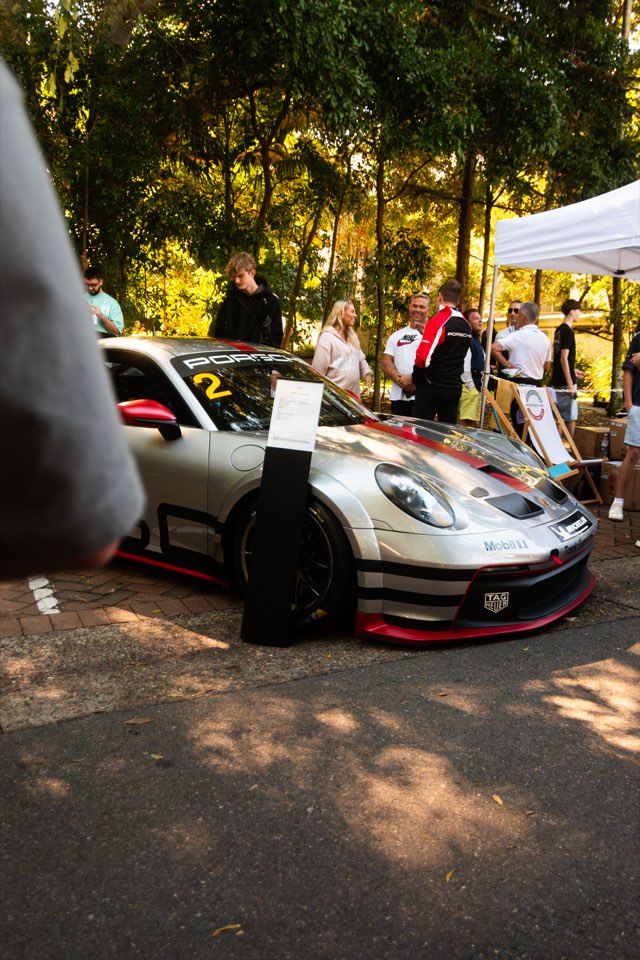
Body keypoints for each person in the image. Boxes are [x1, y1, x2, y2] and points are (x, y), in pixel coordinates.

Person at [0, 59, 144, 578]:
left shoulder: (109, 305)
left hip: (104, 361)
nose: (92, 286)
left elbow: (120, 334)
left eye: (96, 283)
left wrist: (96, 318)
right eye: (88, 281)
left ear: (103, 284)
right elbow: (85, 529)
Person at [412, 278, 471, 424]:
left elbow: (422, 358)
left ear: (439, 297)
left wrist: (416, 378)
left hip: (432, 387)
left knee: (420, 431)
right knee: (447, 433)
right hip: (454, 388)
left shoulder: (438, 321)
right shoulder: (466, 324)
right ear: (457, 300)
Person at [491, 300, 551, 436]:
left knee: (518, 425)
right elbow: (547, 366)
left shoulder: (517, 336)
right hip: (537, 387)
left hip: (518, 386)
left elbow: (494, 347)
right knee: (534, 426)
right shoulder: (545, 338)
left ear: (523, 316)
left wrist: (506, 363)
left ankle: (520, 452)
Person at [209, 251, 283, 348]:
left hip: (260, 359)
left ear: (252, 273)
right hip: (233, 357)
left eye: (240, 275)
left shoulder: (271, 301)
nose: (236, 281)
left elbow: (275, 340)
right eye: (234, 277)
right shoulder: (229, 301)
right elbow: (219, 334)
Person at [608, 329, 640, 521]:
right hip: (638, 404)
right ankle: (617, 502)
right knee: (634, 452)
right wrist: (628, 403)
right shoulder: (638, 339)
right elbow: (629, 370)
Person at [311, 300, 373, 399]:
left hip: (354, 400)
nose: (355, 315)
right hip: (334, 402)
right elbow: (318, 372)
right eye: (352, 311)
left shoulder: (353, 337)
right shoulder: (327, 337)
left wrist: (367, 373)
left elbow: (361, 359)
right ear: (341, 313)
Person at [381, 292, 430, 415]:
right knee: (399, 434)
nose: (417, 309)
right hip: (399, 397)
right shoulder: (396, 335)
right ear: (409, 307)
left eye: (421, 307)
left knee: (420, 433)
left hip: (424, 397)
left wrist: (413, 379)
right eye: (415, 306)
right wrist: (400, 380)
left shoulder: (433, 335)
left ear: (428, 309)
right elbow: (386, 361)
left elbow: (439, 360)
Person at [549, 298, 584, 437]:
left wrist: (573, 370)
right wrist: (570, 383)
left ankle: (556, 445)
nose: (580, 314)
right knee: (570, 417)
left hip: (556, 378)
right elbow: (564, 357)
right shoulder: (568, 331)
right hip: (565, 381)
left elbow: (560, 359)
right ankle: (570, 448)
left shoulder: (558, 329)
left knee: (557, 415)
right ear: (572, 311)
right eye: (578, 311)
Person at [459, 307, 485, 427]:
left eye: (480, 318)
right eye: (475, 318)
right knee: (466, 424)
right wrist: (471, 387)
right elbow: (465, 365)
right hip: (469, 387)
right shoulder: (467, 339)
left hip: (476, 387)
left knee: (472, 423)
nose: (480, 321)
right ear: (467, 322)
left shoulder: (477, 340)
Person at [84, 266, 124, 338]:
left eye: (93, 285)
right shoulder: (79, 299)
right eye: (87, 284)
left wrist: (101, 316)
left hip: (104, 345)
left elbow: (116, 331)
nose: (90, 288)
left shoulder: (112, 303)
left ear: (101, 282)